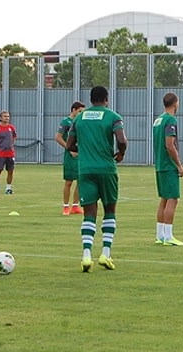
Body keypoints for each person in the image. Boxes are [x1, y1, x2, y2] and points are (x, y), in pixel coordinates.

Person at [65, 86, 127, 272]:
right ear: (106, 99)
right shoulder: (113, 117)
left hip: (85, 170)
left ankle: (86, 256)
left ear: (91, 100)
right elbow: (122, 140)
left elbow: (69, 145)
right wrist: (121, 153)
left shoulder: (79, 118)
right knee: (109, 210)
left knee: (89, 213)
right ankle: (105, 254)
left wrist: (84, 150)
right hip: (106, 169)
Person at [153, 92, 183, 246]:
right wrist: (179, 164)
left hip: (160, 164)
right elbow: (169, 145)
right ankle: (168, 236)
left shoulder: (157, 120)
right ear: (176, 104)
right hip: (168, 165)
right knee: (173, 199)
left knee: (164, 199)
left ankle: (160, 235)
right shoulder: (170, 120)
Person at [55, 101, 86, 216]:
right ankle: (65, 207)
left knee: (80, 181)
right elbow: (58, 137)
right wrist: (69, 148)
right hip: (70, 156)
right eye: (80, 111)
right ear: (73, 110)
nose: (81, 114)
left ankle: (75, 206)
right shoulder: (66, 122)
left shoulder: (81, 122)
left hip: (80, 156)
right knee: (68, 182)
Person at [0, 110, 17, 194]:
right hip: (1, 153)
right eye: (5, 116)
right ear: (0, 118)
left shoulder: (11, 128)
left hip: (10, 153)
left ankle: (8, 189)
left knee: (10, 171)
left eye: (8, 116)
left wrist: (11, 147)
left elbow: (14, 138)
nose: (7, 118)